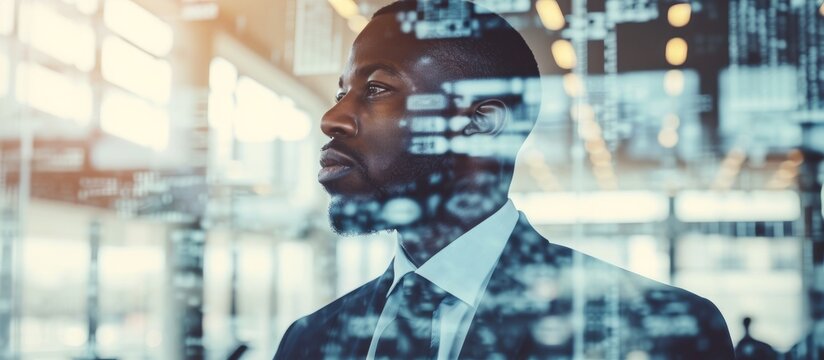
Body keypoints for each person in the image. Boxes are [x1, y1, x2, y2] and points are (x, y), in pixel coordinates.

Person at [274, 0, 734, 358]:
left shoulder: (662, 333)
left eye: (376, 89)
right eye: (341, 92)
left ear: (480, 124)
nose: (333, 117)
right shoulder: (308, 341)